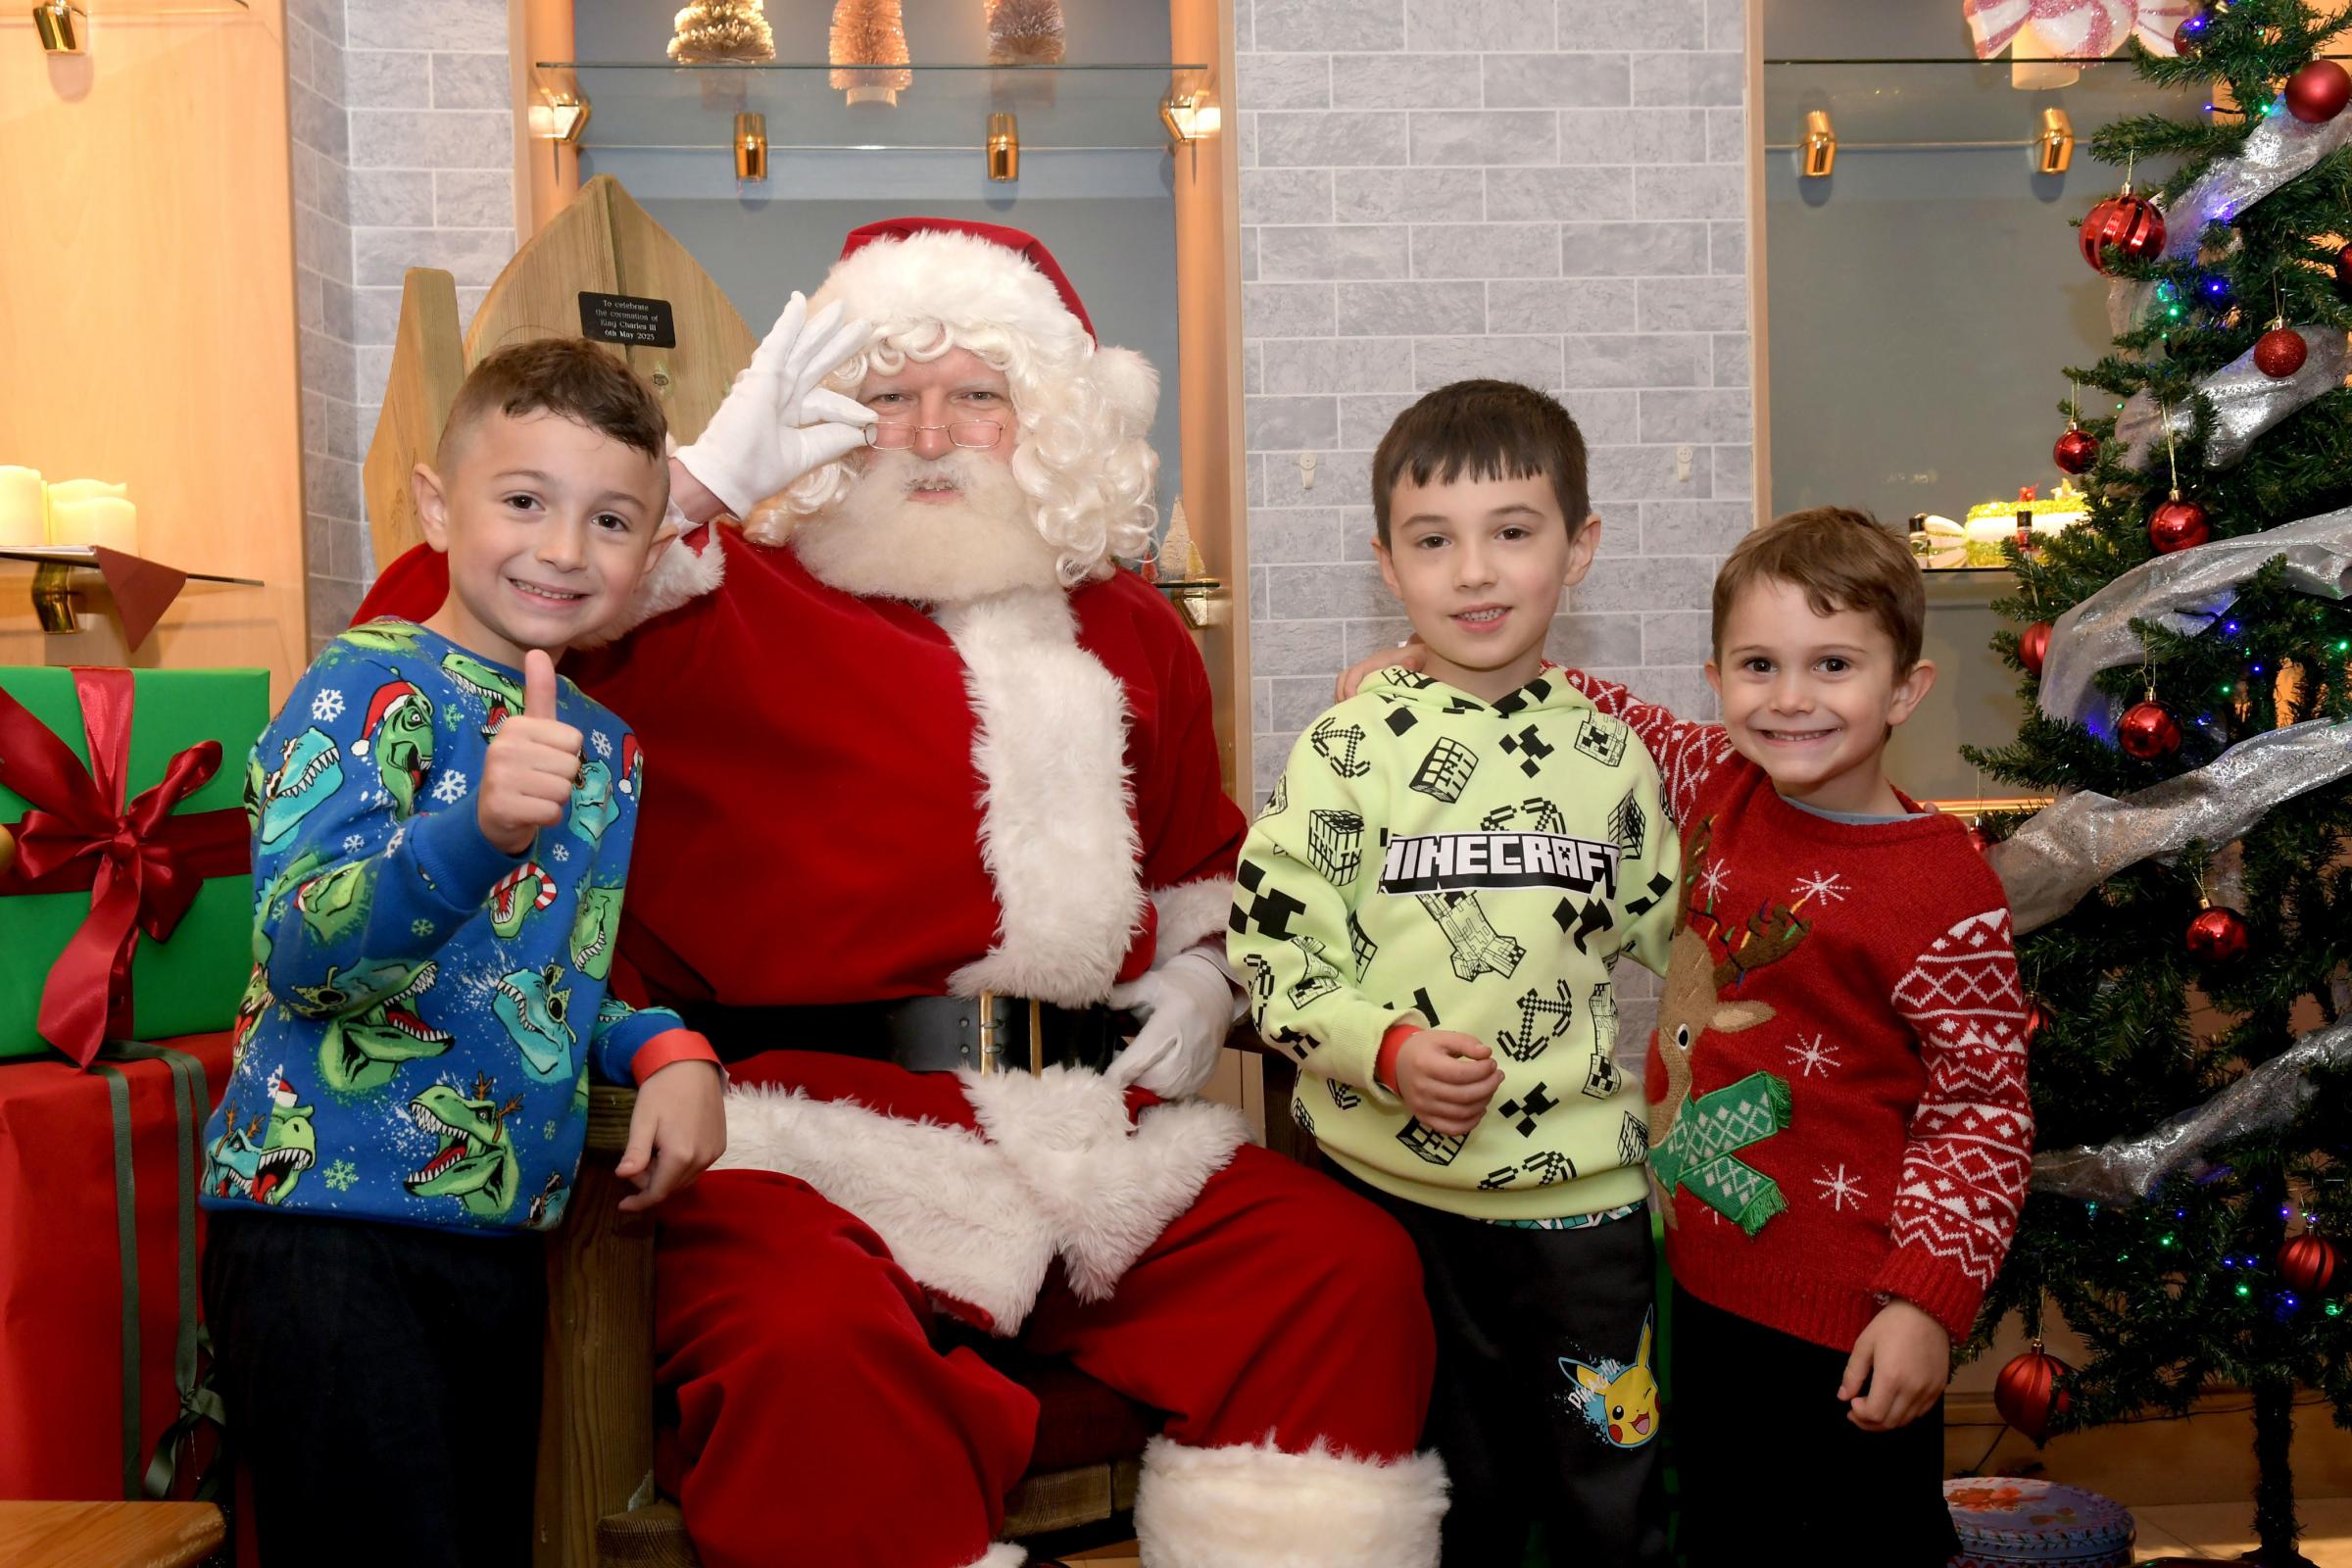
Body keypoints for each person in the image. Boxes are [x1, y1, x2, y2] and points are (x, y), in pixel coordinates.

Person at [353, 219, 1446, 1568]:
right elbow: (422, 628)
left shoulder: (1134, 629)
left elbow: (1203, 870)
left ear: (1042, 422)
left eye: (976, 395)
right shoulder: (697, 594)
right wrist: (685, 494)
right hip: (786, 1141)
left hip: (1084, 1134)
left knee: (1341, 1273)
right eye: (887, 395)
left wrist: (1205, 972)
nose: (929, 432)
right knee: (810, 1348)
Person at [1347, 505, 2036, 1564]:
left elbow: (1982, 1108)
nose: (1792, 697)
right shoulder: (1720, 782)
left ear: (1906, 687)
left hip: (1850, 1324)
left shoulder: (1943, 883)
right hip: (1705, 1293)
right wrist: (1432, 670)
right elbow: (1600, 709)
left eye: (1835, 664)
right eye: (1759, 664)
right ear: (1716, 678)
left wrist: (1926, 1305)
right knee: (1720, 1535)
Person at [200, 339, 728, 1567]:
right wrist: (477, 828)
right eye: (524, 500)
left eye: (609, 520)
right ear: (439, 507)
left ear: (650, 558)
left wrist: (666, 1049)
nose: (561, 548)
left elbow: (548, 968)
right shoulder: (366, 685)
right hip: (327, 1223)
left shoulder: (604, 746)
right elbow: (300, 949)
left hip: (490, 1234)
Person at [1231, 380, 1679, 1567]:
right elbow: (1272, 948)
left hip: (1585, 1209)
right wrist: (1382, 1049)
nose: (1475, 572)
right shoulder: (1348, 748)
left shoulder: (1613, 755)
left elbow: (1687, 944)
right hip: (1390, 1207)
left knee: (1607, 1501)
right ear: (1389, 564)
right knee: (1433, 1509)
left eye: (1514, 533)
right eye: (1436, 541)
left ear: (1578, 549)